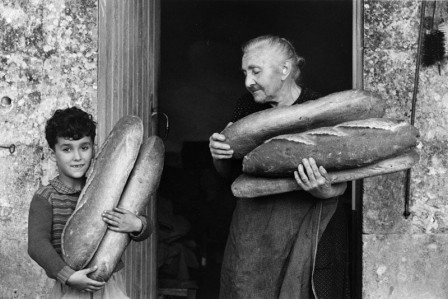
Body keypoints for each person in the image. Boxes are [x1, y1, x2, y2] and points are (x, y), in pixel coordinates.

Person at [209, 35, 349, 298]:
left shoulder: (318, 110)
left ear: (284, 70)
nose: (248, 82)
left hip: (307, 225)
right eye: (245, 72)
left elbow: (342, 180)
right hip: (255, 231)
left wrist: (323, 189)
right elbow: (230, 175)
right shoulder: (246, 107)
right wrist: (219, 154)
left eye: (255, 71)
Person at [28, 107, 151, 298]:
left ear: (94, 149)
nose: (77, 157)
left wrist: (137, 224)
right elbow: (37, 245)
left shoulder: (109, 187)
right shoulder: (46, 197)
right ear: (53, 154)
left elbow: (143, 224)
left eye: (84, 147)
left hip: (110, 284)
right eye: (67, 149)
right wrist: (68, 276)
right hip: (71, 286)